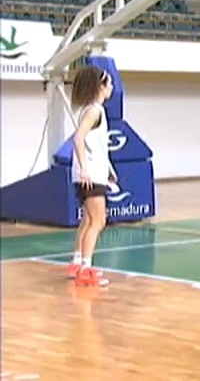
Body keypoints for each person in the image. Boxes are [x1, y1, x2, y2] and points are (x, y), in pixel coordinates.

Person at [66, 65, 115, 287]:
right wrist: (86, 169)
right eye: (109, 83)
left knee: (87, 220)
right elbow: (78, 138)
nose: (112, 87)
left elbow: (94, 145)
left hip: (89, 173)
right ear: (101, 87)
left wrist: (110, 170)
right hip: (90, 175)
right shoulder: (95, 110)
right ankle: (85, 269)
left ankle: (77, 262)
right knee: (98, 220)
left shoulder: (88, 109)